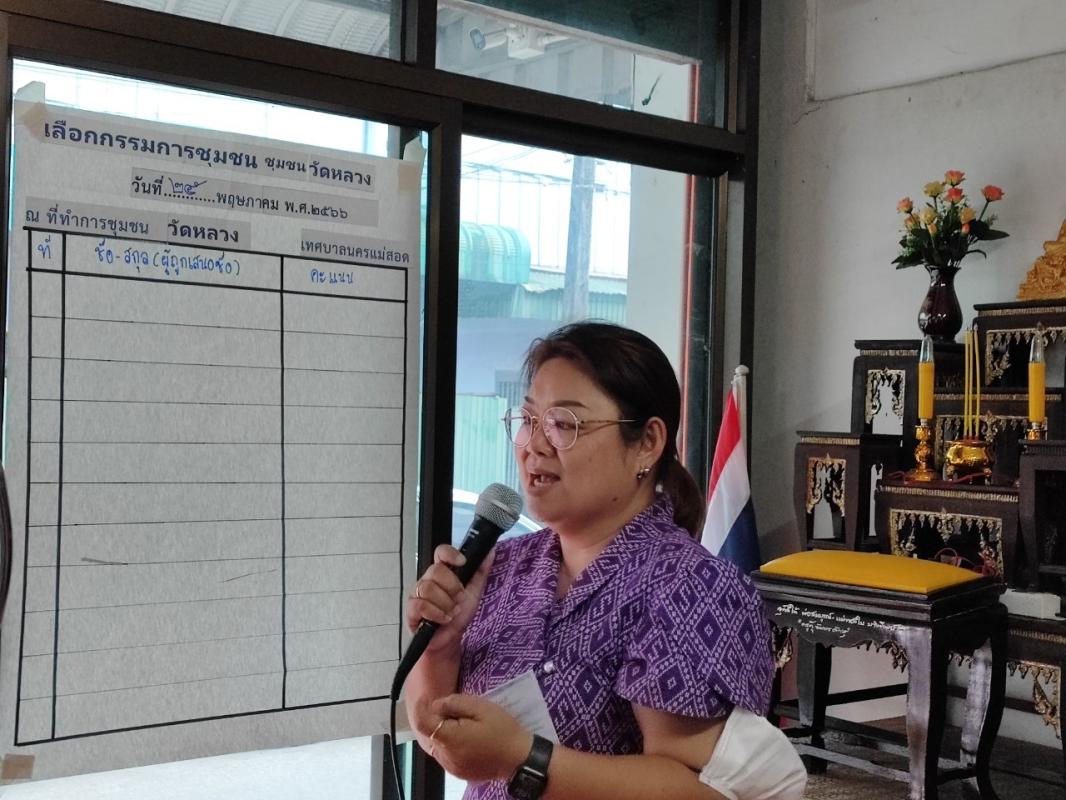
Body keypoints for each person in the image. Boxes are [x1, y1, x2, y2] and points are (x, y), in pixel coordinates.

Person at [404, 321, 784, 800]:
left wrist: (522, 759)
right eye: (528, 420)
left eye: (564, 424)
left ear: (647, 443)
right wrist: (440, 648)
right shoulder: (505, 565)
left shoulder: (691, 586)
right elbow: (442, 736)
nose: (534, 445)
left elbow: (702, 792)